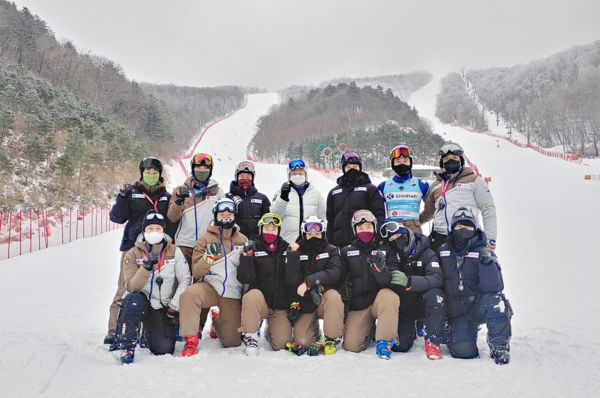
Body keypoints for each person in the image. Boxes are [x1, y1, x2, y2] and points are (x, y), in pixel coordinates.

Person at [106, 157, 170, 345]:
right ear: (142, 173)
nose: (151, 175)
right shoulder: (133, 193)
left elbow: (173, 221)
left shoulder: (166, 196)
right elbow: (117, 217)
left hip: (157, 249)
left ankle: (148, 329)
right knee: (125, 288)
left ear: (160, 174)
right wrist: (122, 198)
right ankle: (114, 330)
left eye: (154, 173)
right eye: (147, 172)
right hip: (133, 247)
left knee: (155, 289)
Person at [115, 209, 192, 364]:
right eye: (150, 228)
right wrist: (146, 267)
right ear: (144, 230)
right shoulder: (132, 253)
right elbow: (131, 286)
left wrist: (174, 305)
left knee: (164, 349)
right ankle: (127, 345)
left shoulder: (174, 251)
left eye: (158, 228)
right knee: (132, 301)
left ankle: (147, 333)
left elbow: (185, 279)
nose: (154, 232)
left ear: (164, 231)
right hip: (140, 301)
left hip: (161, 305)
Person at [438, 207, 512, 364]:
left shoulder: (484, 251)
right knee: (464, 353)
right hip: (457, 312)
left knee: (496, 303)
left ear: (474, 228)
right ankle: (460, 332)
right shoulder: (443, 251)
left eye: (467, 225)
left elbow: (494, 288)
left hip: (478, 306)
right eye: (459, 226)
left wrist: (488, 265)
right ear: (452, 229)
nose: (463, 229)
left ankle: (499, 346)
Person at [177, 198, 247, 356]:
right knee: (190, 294)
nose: (226, 217)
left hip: (232, 290)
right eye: (222, 213)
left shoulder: (243, 240)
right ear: (215, 215)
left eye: (230, 213)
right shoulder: (205, 239)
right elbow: (196, 272)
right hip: (210, 287)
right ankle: (191, 339)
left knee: (232, 342)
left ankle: (216, 323)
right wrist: (208, 258)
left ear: (235, 216)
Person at [379, 219, 445, 360]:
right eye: (392, 239)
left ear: (406, 233)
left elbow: (437, 278)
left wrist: (410, 281)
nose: (397, 240)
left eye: (398, 236)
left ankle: (432, 340)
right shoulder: (394, 256)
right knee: (401, 346)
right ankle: (411, 330)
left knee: (436, 294)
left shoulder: (426, 252)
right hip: (406, 304)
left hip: (425, 302)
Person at [340, 210, 400, 360]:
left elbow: (390, 281)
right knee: (351, 346)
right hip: (359, 304)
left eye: (368, 226)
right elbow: (339, 278)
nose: (364, 230)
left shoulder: (386, 249)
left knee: (389, 295)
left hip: (380, 302)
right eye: (360, 228)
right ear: (354, 230)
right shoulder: (347, 251)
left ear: (374, 227)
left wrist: (380, 270)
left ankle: (384, 341)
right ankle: (371, 330)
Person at [419, 142, 497, 252]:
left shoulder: (474, 180)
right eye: (446, 158)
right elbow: (428, 213)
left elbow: (488, 209)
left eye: (455, 157)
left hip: (467, 236)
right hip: (440, 238)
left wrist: (490, 238)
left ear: (461, 161)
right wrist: (412, 224)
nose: (450, 161)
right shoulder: (436, 184)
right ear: (442, 162)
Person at [284, 216, 344, 356]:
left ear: (322, 233)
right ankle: (315, 331)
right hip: (306, 302)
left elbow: (334, 272)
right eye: (309, 233)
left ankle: (331, 337)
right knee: (303, 341)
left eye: (317, 233)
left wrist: (309, 282)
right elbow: (291, 279)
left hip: (325, 299)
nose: (313, 236)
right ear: (303, 233)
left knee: (334, 297)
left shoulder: (332, 250)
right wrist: (293, 255)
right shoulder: (296, 250)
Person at [237, 213, 294, 356]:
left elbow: (292, 279)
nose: (270, 232)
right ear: (261, 229)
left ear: (279, 231)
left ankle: (271, 330)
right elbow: (245, 278)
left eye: (274, 229)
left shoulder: (286, 249)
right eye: (267, 228)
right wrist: (247, 257)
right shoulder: (253, 246)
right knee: (252, 296)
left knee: (281, 344)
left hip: (279, 306)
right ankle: (250, 335)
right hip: (259, 303)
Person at [168, 153, 225, 266]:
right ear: (193, 169)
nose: (202, 170)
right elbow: (172, 218)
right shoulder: (181, 190)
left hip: (207, 244)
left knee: (203, 279)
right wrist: (178, 201)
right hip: (184, 245)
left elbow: (223, 217)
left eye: (206, 168)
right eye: (199, 167)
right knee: (183, 279)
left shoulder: (217, 192)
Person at [326, 151, 386, 248]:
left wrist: (376, 237)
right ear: (344, 169)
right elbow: (330, 220)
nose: (351, 170)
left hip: (364, 243)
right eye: (348, 167)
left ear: (360, 168)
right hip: (339, 242)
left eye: (354, 167)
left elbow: (379, 215)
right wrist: (328, 241)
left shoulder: (370, 189)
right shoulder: (334, 192)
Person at [270, 160, 326, 245]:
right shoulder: (281, 193)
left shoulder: (316, 194)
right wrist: (282, 198)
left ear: (305, 175)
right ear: (289, 175)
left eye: (300, 173)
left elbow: (322, 218)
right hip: (288, 242)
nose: (297, 176)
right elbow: (274, 216)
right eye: (294, 174)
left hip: (311, 242)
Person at [378, 145, 429, 234]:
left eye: (405, 161)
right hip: (392, 229)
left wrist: (418, 221)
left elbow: (431, 208)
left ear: (410, 162)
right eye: (398, 161)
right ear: (393, 164)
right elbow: (378, 211)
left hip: (414, 229)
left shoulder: (422, 184)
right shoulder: (383, 186)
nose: (402, 164)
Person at [226, 161, 271, 238]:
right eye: (242, 176)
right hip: (234, 240)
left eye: (248, 177)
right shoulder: (227, 198)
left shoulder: (262, 198)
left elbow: (268, 221)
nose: (245, 179)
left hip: (256, 241)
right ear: (237, 178)